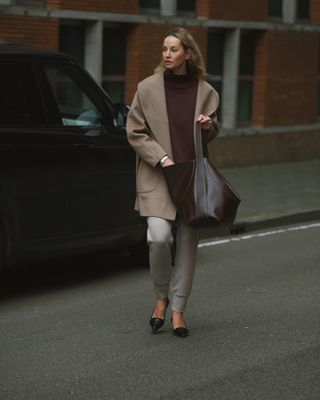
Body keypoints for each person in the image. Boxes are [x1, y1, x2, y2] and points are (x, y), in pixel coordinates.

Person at [126, 27, 219, 338]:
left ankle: (178, 308)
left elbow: (211, 135)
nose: (167, 54)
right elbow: (135, 132)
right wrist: (161, 157)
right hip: (158, 174)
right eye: (164, 48)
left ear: (188, 54)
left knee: (189, 245)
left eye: (174, 49)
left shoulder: (204, 91)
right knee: (159, 238)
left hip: (191, 177)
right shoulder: (147, 88)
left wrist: (209, 126)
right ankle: (161, 296)